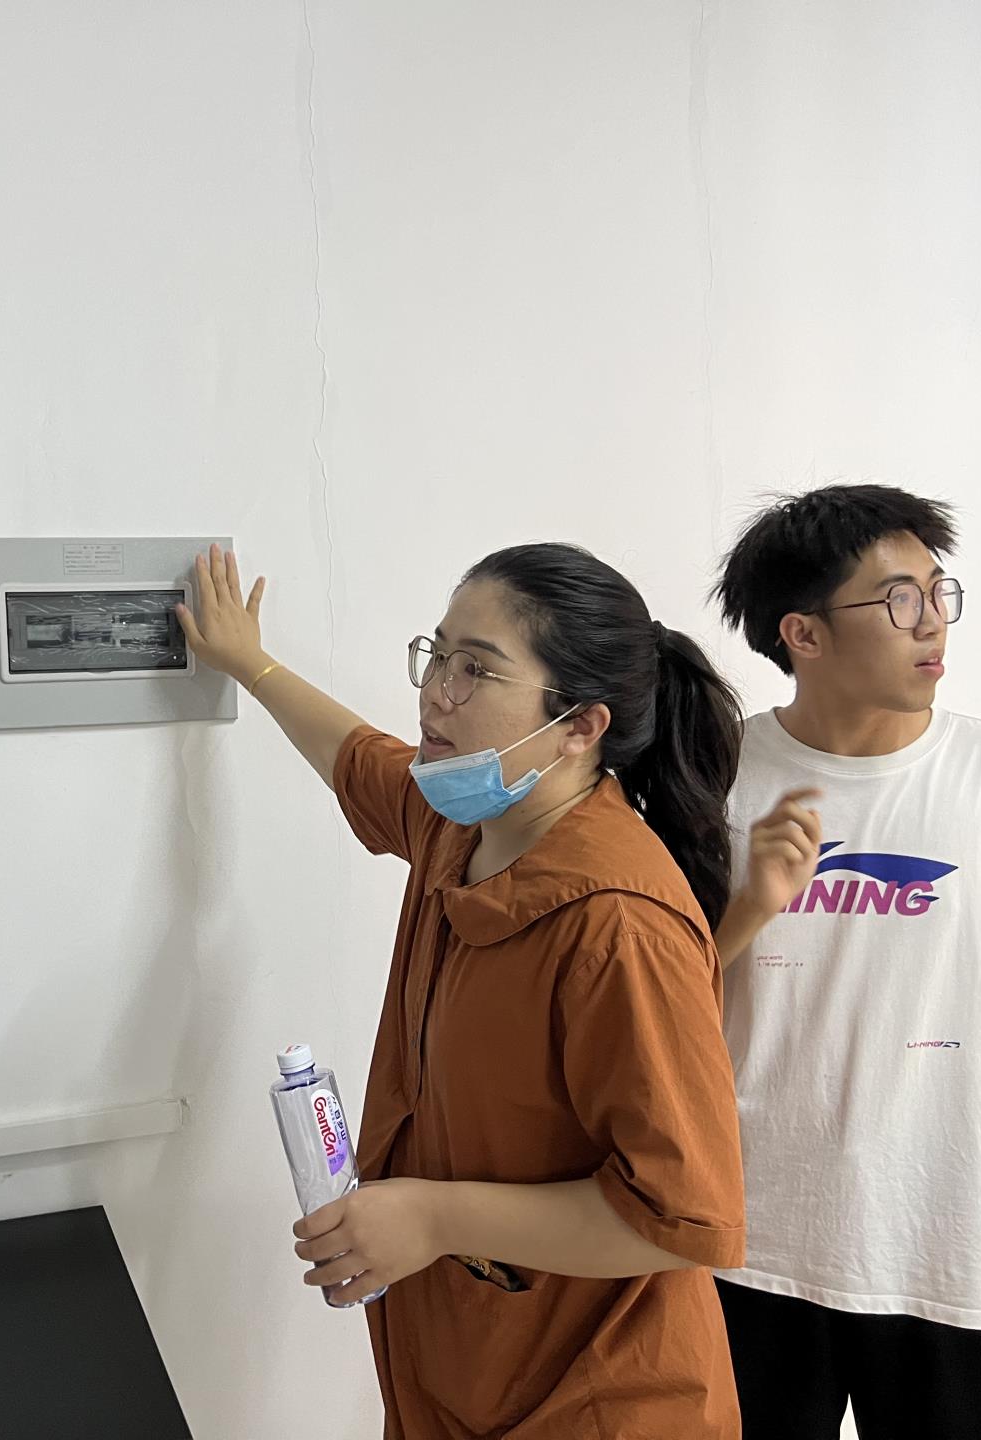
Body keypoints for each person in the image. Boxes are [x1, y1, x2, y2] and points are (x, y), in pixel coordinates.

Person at [176, 542, 748, 1438]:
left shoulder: (620, 929)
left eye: (476, 670)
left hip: (603, 1404)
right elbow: (357, 758)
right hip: (464, 1376)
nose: (435, 693)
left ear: (581, 726)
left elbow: (678, 1217)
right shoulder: (463, 825)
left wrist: (435, 1217)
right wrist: (251, 663)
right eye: (436, 654)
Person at [710, 484, 981, 1440]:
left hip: (952, 1257)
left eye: (939, 591)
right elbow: (656, 1009)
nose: (933, 620)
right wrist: (749, 908)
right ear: (803, 634)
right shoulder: (721, 781)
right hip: (744, 1255)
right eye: (898, 598)